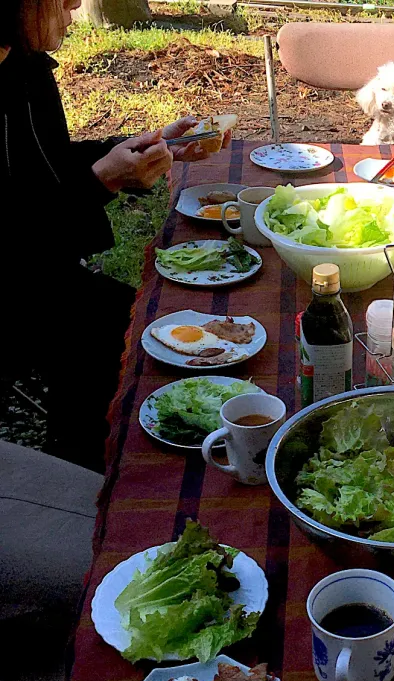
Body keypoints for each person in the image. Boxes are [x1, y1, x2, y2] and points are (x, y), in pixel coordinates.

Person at [0, 0, 228, 472]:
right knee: (119, 337)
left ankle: (97, 450)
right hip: (16, 286)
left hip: (42, 268)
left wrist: (140, 146)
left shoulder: (23, 64)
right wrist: (102, 180)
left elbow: (44, 163)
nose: (76, 5)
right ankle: (80, 477)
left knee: (147, 320)